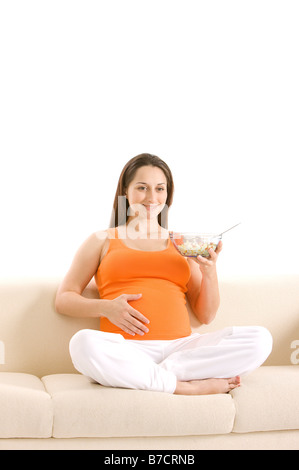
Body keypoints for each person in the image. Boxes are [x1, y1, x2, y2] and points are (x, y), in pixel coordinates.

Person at [55, 153, 272, 395]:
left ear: (168, 195)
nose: (152, 198)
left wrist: (209, 272)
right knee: (83, 344)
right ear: (125, 191)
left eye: (160, 189)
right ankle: (182, 385)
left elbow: (205, 316)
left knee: (260, 339)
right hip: (127, 349)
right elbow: (64, 299)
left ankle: (149, 375)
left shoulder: (181, 243)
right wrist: (106, 308)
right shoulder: (101, 240)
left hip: (181, 349)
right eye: (142, 188)